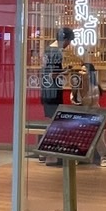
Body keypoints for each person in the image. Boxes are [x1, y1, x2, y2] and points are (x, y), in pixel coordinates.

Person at [39, 28, 72, 166]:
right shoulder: (56, 52)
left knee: (50, 121)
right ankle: (50, 156)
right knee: (53, 123)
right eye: (69, 41)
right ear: (65, 39)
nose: (68, 44)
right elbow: (53, 74)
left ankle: (44, 153)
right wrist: (66, 72)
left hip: (46, 90)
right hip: (53, 91)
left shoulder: (48, 50)